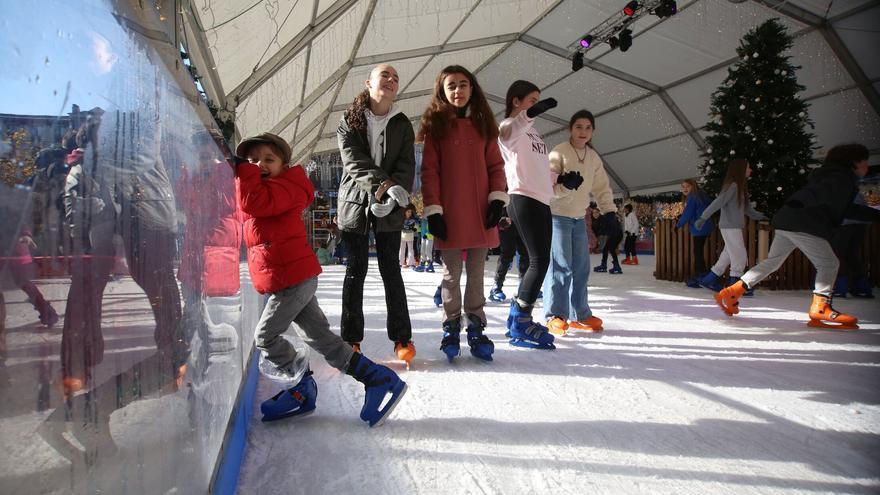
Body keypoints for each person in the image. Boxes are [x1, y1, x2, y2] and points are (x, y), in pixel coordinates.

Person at [235, 133, 406, 425]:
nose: (259, 165)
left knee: (265, 337)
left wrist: (242, 171)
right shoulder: (262, 189)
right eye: (252, 160)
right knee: (321, 339)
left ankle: (301, 387)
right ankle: (377, 379)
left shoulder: (284, 187)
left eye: (268, 159)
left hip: (293, 280)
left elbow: (253, 203)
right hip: (288, 278)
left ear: (284, 164)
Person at [715, 143, 880, 330]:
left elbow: (844, 208)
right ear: (854, 162)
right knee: (829, 263)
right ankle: (821, 307)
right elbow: (817, 193)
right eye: (864, 162)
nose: (867, 166)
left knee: (773, 262)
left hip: (788, 221)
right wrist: (799, 202)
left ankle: (732, 292)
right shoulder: (841, 177)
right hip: (803, 223)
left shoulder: (831, 175)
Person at [419, 65, 506, 362]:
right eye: (451, 85)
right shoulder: (436, 128)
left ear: (472, 89)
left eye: (463, 84)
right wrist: (433, 210)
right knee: (451, 274)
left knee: (478, 274)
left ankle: (477, 326)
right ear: (442, 91)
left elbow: (496, 166)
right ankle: (451, 324)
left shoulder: (484, 126)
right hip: (451, 214)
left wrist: (497, 200)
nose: (458, 90)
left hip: (482, 213)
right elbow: (429, 171)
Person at [336, 64, 417, 367]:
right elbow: (353, 162)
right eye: (385, 75)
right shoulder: (349, 120)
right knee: (355, 272)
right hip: (354, 206)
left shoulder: (401, 124)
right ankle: (350, 339)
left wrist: (394, 198)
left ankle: (402, 338)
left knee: (391, 272)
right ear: (368, 82)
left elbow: (407, 165)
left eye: (396, 77)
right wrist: (384, 186)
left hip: (390, 209)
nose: (391, 79)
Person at [497, 80, 560, 350]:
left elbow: (541, 169)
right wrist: (529, 114)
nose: (536, 105)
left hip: (542, 199)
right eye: (532, 100)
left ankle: (519, 317)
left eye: (538, 101)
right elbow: (510, 131)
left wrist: (561, 178)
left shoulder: (534, 135)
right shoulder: (509, 127)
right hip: (523, 197)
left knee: (541, 261)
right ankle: (521, 320)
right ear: (516, 101)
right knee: (538, 261)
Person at [543, 109, 616, 336]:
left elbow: (602, 187)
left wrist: (609, 211)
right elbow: (547, 188)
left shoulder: (593, 157)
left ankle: (579, 314)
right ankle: (555, 314)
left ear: (592, 132)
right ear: (570, 129)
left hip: (578, 218)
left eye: (587, 127)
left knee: (581, 268)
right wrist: (566, 186)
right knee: (560, 265)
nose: (583, 132)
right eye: (578, 127)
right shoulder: (559, 152)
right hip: (557, 216)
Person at [694, 159, 767, 292]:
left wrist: (762, 216)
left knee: (727, 255)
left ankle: (709, 280)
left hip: (733, 226)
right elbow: (718, 202)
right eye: (748, 168)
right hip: (730, 226)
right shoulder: (733, 186)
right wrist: (703, 217)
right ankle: (735, 287)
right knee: (739, 255)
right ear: (740, 170)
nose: (750, 170)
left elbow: (748, 209)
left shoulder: (740, 187)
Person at [831, 190, 874, 298]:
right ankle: (861, 287)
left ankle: (841, 287)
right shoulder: (870, 181)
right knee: (851, 254)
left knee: (839, 254)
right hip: (862, 220)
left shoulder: (846, 178)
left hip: (846, 220)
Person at [676, 178, 714, 287]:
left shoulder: (693, 197)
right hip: (705, 226)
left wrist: (678, 224)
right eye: (683, 187)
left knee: (698, 252)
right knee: (699, 251)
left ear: (693, 186)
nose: (685, 189)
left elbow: (688, 213)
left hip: (699, 227)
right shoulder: (701, 196)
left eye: (687, 186)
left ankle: (701, 275)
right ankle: (702, 274)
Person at [487, 208, 528, 303]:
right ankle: (497, 286)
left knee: (525, 255)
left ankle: (525, 286)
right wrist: (500, 218)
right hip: (507, 224)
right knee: (506, 255)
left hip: (523, 222)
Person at [594, 208, 623, 275]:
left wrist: (599, 233)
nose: (594, 214)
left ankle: (616, 267)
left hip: (616, 234)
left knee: (611, 249)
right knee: (605, 249)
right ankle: (604, 266)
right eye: (593, 213)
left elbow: (605, 229)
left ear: (600, 212)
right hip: (614, 234)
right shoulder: (603, 218)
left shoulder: (603, 218)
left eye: (596, 212)